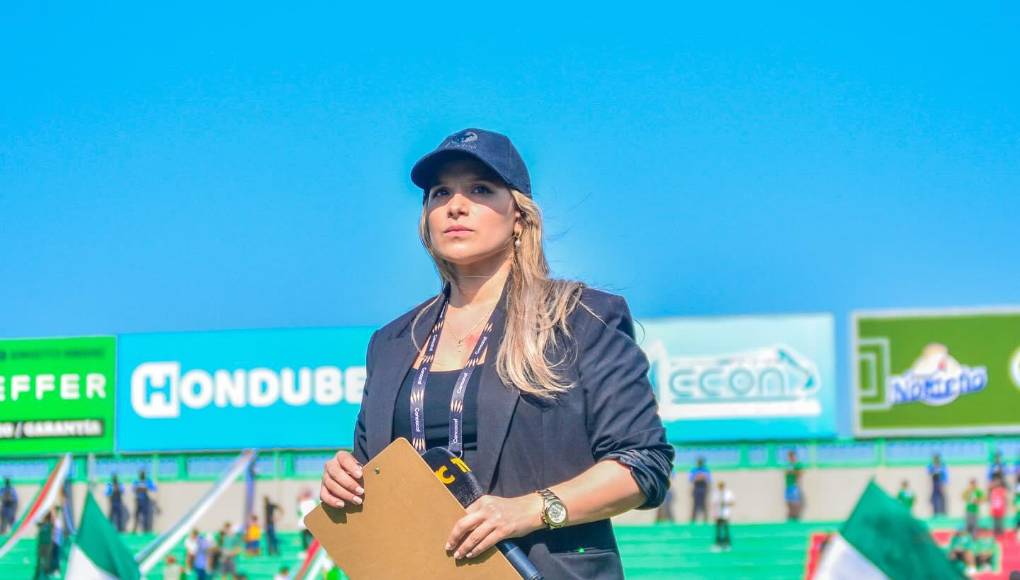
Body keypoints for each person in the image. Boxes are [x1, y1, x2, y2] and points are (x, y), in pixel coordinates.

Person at [318, 128, 674, 579]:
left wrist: (530, 509)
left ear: (519, 216)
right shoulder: (390, 343)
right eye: (440, 193)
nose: (455, 205)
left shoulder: (582, 317)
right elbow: (376, 471)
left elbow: (643, 465)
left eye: (480, 189)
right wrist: (347, 479)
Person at [711, 481, 734, 551]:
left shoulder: (728, 493)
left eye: (722, 485)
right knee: (718, 530)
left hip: (725, 514)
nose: (721, 487)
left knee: (726, 529)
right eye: (719, 486)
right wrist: (714, 514)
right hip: (718, 514)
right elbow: (713, 504)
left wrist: (726, 503)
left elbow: (732, 502)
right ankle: (718, 544)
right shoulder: (716, 493)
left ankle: (727, 544)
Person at [689, 457, 711, 524]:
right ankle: (693, 520)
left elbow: (708, 479)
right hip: (696, 488)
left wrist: (700, 477)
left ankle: (705, 520)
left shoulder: (706, 470)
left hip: (703, 488)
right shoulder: (694, 469)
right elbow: (691, 479)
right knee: (695, 505)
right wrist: (699, 477)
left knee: (704, 505)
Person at [784, 450, 804, 521]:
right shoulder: (788, 465)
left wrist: (793, 471)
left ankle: (796, 516)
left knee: (795, 501)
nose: (790, 458)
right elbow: (786, 473)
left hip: (794, 486)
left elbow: (800, 473)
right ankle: (791, 516)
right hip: (788, 486)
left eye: (792, 456)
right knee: (788, 501)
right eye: (789, 456)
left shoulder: (797, 464)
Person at [34, 511, 54, 580]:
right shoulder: (42, 524)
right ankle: (39, 574)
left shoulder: (50, 525)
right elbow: (36, 521)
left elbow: (37, 522)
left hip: (45, 544)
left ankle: (43, 574)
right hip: (44, 544)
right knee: (41, 560)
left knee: (44, 560)